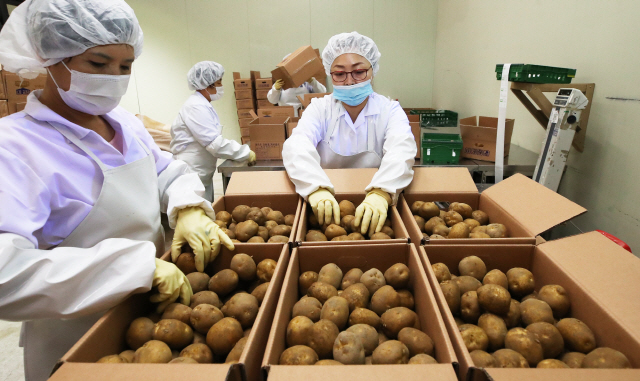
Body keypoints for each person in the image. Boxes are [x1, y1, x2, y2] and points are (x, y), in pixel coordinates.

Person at [0, 1, 232, 380]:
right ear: (49, 57)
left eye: (125, 67)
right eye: (98, 63)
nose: (114, 77)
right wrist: (133, 267)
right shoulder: (14, 148)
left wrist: (188, 204)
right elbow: (5, 273)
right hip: (76, 334)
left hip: (156, 312)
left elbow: (167, 171)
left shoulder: (124, 123)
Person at [282, 32, 416, 237]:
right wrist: (315, 188)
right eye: (339, 73)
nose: (349, 81)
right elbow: (297, 144)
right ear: (330, 74)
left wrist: (382, 192)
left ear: (372, 71)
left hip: (375, 204)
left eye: (359, 71)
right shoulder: (319, 109)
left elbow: (401, 150)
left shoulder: (389, 110)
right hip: (327, 204)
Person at [171, 61, 256, 201]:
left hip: (201, 173)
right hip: (192, 173)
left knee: (207, 210)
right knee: (195, 214)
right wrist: (245, 152)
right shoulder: (196, 107)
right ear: (207, 85)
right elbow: (214, 144)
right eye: (219, 83)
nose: (221, 87)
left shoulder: (203, 105)